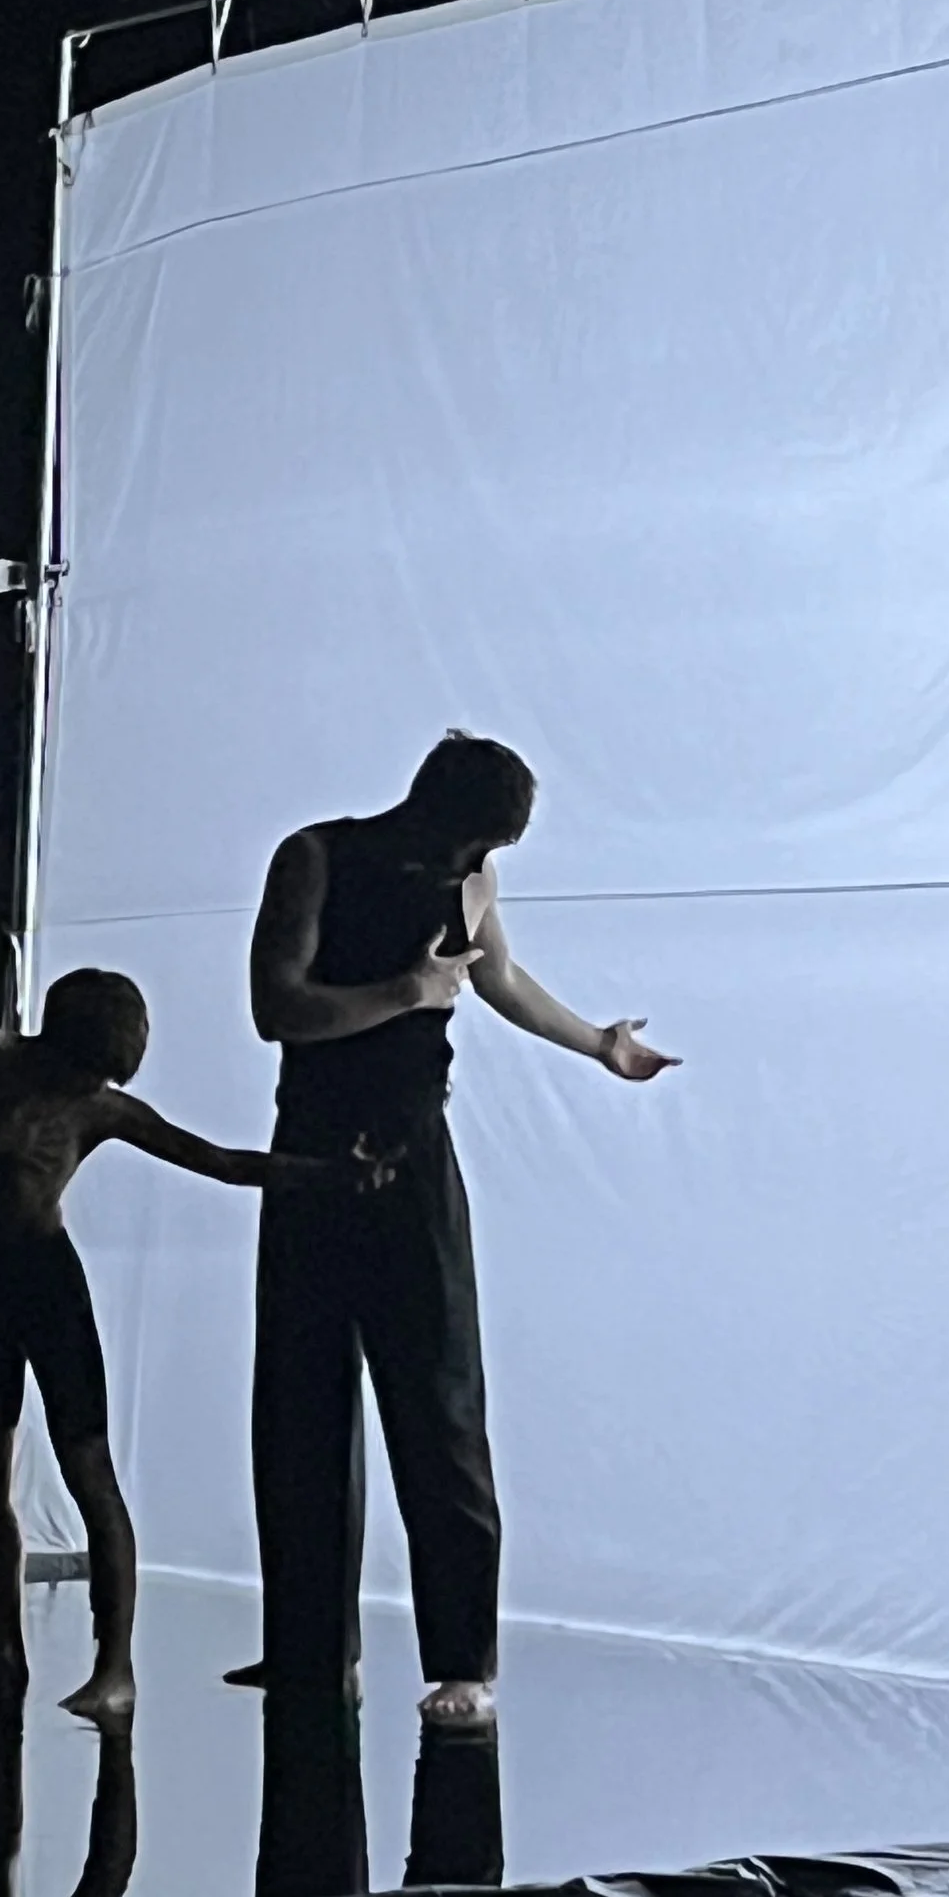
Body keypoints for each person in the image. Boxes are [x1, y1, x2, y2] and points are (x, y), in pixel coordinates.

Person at [244, 730, 677, 1728]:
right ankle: (310, 1646)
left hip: (413, 1161)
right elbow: (278, 1007)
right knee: (301, 1408)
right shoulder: (313, 856)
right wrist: (404, 993)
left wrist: (599, 1044)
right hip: (309, 1156)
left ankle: (462, 1660)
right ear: (434, 816)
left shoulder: (472, 878)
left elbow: (500, 979)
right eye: (473, 843)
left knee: (440, 1403)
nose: (477, 864)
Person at [0, 967, 390, 1724]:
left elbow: (220, 1161)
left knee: (89, 1473)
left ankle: (114, 1668)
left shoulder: (100, 1107)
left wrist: (329, 1176)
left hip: (48, 1290)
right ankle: (3, 1650)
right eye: (85, 1073)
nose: (92, 1088)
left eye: (102, 1080)